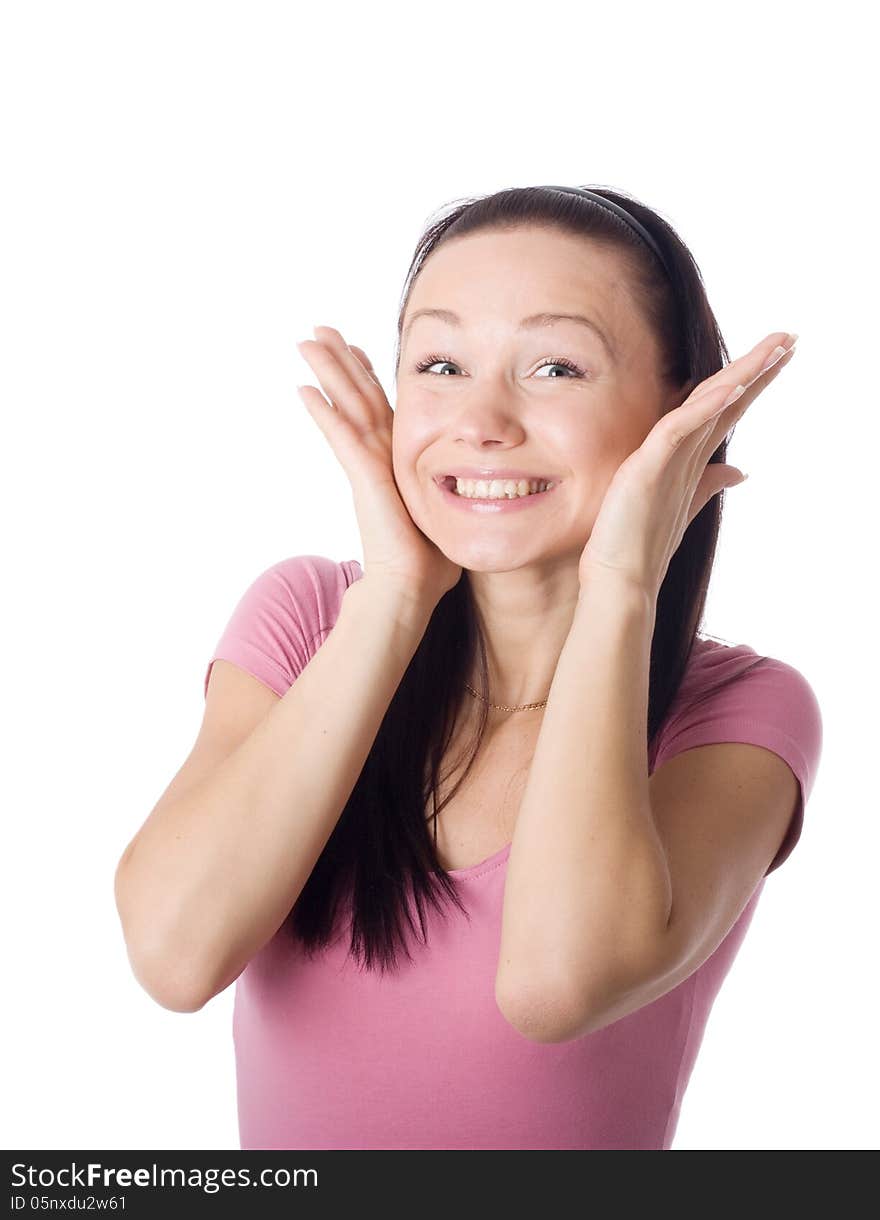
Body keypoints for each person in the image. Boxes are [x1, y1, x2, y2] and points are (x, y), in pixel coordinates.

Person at [113, 184, 823, 1150]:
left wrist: (622, 583)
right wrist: (398, 597)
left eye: (555, 367)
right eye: (441, 363)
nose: (481, 421)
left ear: (680, 413)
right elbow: (175, 956)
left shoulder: (740, 712)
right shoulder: (310, 618)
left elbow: (556, 984)